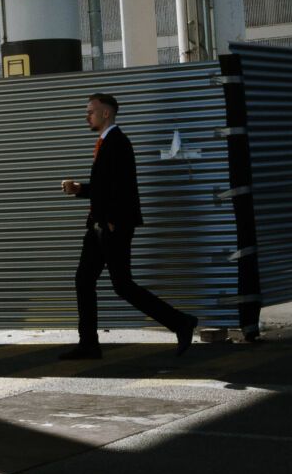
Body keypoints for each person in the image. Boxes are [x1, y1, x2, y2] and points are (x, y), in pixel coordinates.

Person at [57, 93, 197, 359]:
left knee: (122, 285)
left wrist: (111, 220)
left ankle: (181, 322)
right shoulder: (105, 143)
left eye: (91, 111)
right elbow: (104, 186)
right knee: (84, 279)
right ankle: (88, 343)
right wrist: (80, 189)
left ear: (106, 113)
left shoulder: (118, 143)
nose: (87, 116)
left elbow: (122, 188)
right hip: (99, 225)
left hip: (112, 226)